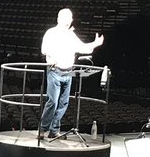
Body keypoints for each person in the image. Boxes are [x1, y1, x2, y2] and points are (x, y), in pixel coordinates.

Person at [39, 8, 103, 140]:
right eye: (67, 18)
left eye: (70, 18)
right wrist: (54, 55)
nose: (69, 21)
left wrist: (95, 44)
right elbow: (44, 49)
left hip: (69, 72)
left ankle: (54, 129)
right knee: (53, 102)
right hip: (55, 71)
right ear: (59, 19)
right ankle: (43, 128)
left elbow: (82, 47)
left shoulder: (70, 35)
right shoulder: (51, 33)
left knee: (64, 103)